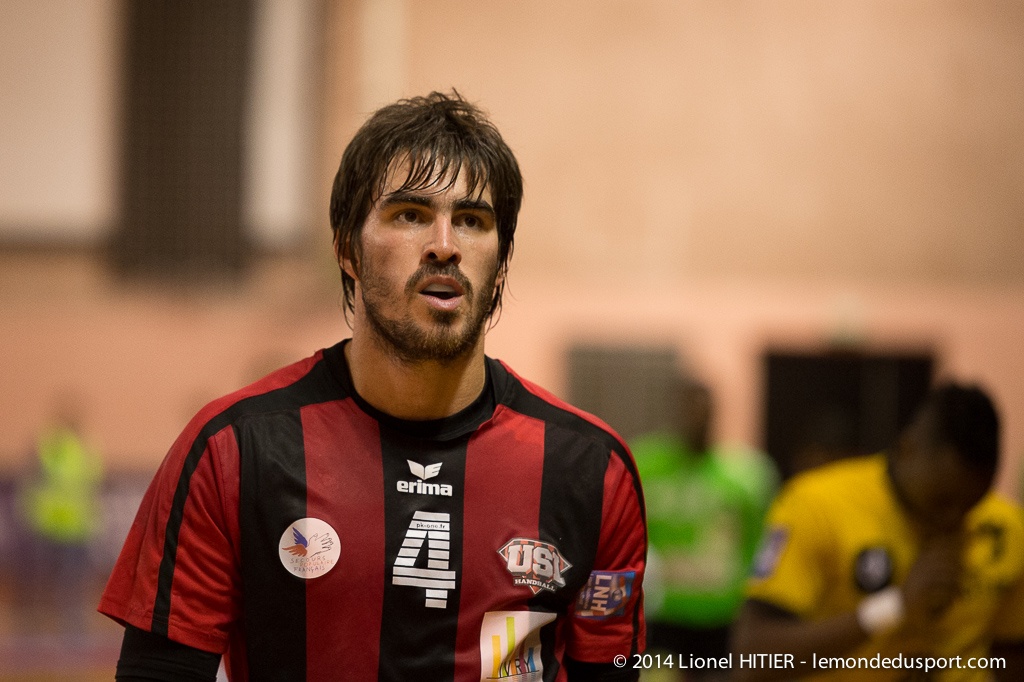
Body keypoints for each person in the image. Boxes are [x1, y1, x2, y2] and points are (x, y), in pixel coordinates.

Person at [99, 91, 647, 681]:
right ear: (346, 249)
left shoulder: (592, 470)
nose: (445, 244)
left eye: (472, 220)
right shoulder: (233, 451)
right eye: (410, 214)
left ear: (502, 258)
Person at [732, 382, 1024, 681]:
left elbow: (1011, 655)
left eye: (972, 504)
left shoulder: (1009, 528)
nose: (953, 518)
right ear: (908, 447)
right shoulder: (814, 505)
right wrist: (894, 606)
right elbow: (754, 659)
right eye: (942, 501)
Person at [632, 379, 776, 681]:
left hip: (722, 616)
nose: (696, 421)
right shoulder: (644, 465)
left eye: (704, 413)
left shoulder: (746, 475)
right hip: (661, 612)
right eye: (688, 411)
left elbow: (759, 545)